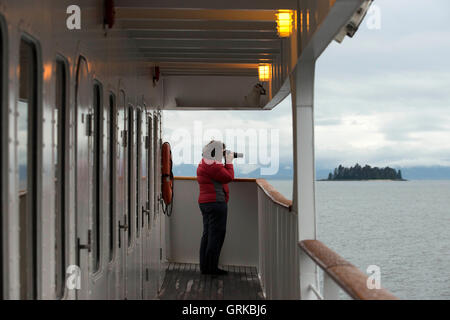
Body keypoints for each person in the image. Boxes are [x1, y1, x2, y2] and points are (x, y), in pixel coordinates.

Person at [197, 140, 235, 275]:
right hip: (215, 203)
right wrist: (229, 162)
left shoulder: (205, 162)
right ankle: (212, 268)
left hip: (206, 203)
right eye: (222, 151)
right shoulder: (213, 165)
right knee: (216, 236)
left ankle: (205, 267)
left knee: (207, 235)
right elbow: (229, 177)